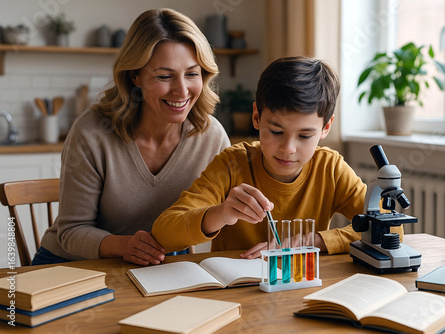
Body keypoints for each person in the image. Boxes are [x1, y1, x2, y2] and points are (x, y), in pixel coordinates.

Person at [32, 8, 230, 266]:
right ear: (134, 75)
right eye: (164, 76)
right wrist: (125, 245)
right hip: (73, 263)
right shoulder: (92, 132)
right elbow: (71, 232)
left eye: (192, 74)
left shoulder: (210, 135)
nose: (182, 90)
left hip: (155, 265)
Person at [151, 56, 403, 258]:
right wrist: (222, 214)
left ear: (326, 128)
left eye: (305, 135)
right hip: (239, 294)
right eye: (276, 131)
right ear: (257, 117)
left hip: (301, 288)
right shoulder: (232, 164)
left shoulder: (330, 168)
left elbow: (392, 228)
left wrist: (310, 241)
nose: (288, 148)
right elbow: (164, 232)